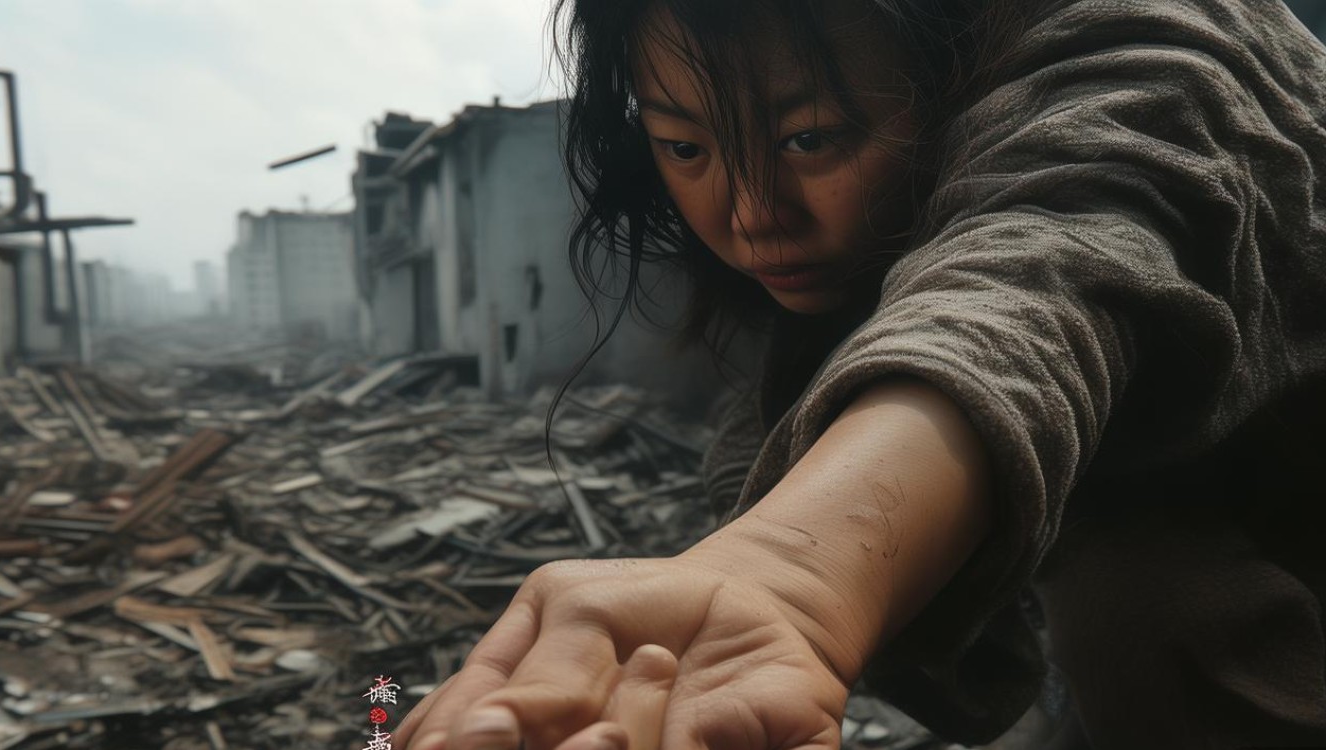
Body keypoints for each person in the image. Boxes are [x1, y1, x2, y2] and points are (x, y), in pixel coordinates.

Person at [393, 0, 1326, 748]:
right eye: (686, 147)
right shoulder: (813, 297)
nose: (752, 216)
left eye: (810, 138)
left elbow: (1047, 260)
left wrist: (790, 581)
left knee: (1146, 607)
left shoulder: (1140, 46)